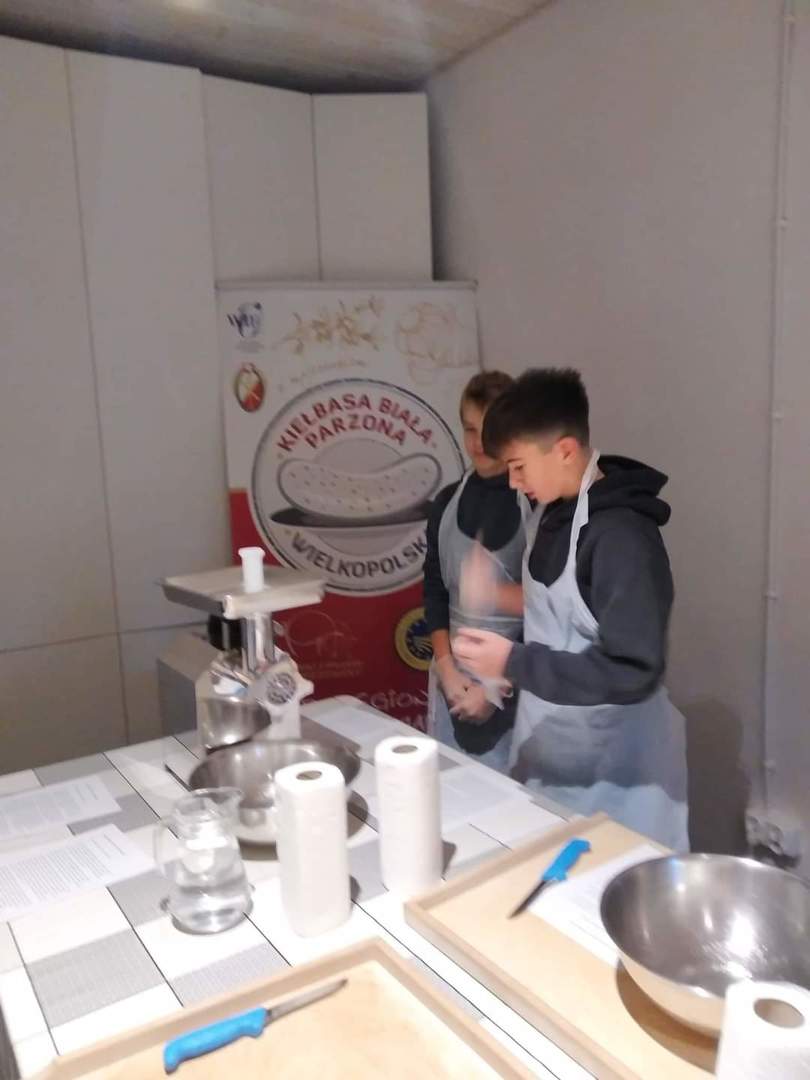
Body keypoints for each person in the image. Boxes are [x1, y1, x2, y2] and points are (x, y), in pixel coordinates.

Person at [453, 368, 689, 849]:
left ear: (564, 450)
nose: (514, 482)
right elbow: (564, 614)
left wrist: (513, 661)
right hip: (553, 751)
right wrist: (495, 607)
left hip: (616, 770)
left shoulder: (622, 536)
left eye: (518, 466)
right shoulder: (552, 512)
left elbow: (633, 669)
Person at [423, 370, 529, 773]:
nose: (478, 443)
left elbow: (550, 616)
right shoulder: (447, 502)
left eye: (489, 431)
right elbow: (435, 591)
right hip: (453, 688)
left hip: (517, 695)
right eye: (469, 429)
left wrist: (496, 690)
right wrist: (447, 669)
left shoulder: (535, 505)